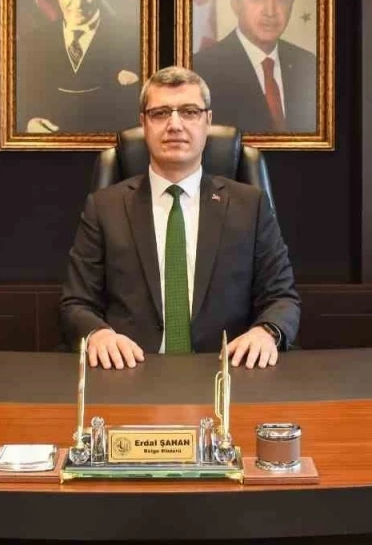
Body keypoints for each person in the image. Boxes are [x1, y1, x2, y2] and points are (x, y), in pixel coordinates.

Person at [59, 66, 300, 370]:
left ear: (207, 121)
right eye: (160, 113)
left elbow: (282, 298)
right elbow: (76, 303)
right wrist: (98, 334)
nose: (175, 125)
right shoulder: (105, 207)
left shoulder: (250, 205)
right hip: (129, 371)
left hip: (227, 371)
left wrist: (266, 332)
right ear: (144, 122)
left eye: (189, 112)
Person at [15, 0, 140, 135]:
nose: (78, 2)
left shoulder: (136, 41)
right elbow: (16, 107)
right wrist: (27, 124)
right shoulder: (29, 45)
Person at [191, 0, 316, 133]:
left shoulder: (308, 65)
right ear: (235, 4)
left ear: (291, 5)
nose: (270, 12)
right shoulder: (200, 70)